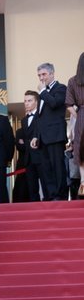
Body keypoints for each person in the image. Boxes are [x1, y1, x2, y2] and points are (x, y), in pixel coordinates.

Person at [34, 62, 70, 200]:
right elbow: (40, 117)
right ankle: (50, 195)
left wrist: (42, 92)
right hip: (43, 137)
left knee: (57, 167)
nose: (41, 78)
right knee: (46, 169)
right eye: (39, 75)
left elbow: (55, 103)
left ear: (52, 73)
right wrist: (36, 136)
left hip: (55, 135)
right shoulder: (42, 93)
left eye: (44, 74)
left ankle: (60, 195)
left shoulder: (61, 88)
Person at [67, 53, 84, 198]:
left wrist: (79, 117)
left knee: (81, 151)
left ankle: (83, 182)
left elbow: (69, 104)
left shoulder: (73, 81)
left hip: (81, 118)